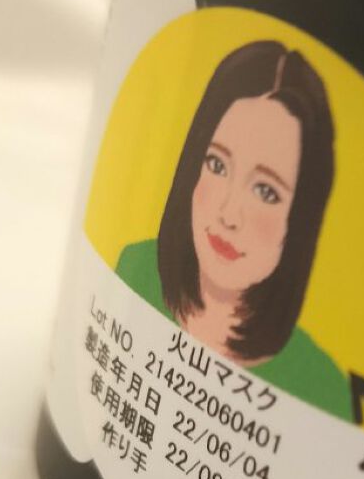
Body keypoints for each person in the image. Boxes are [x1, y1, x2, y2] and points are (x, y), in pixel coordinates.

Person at [115, 40, 351, 421]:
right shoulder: (133, 269)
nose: (229, 214)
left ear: (301, 217)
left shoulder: (324, 389)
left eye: (266, 191)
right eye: (217, 164)